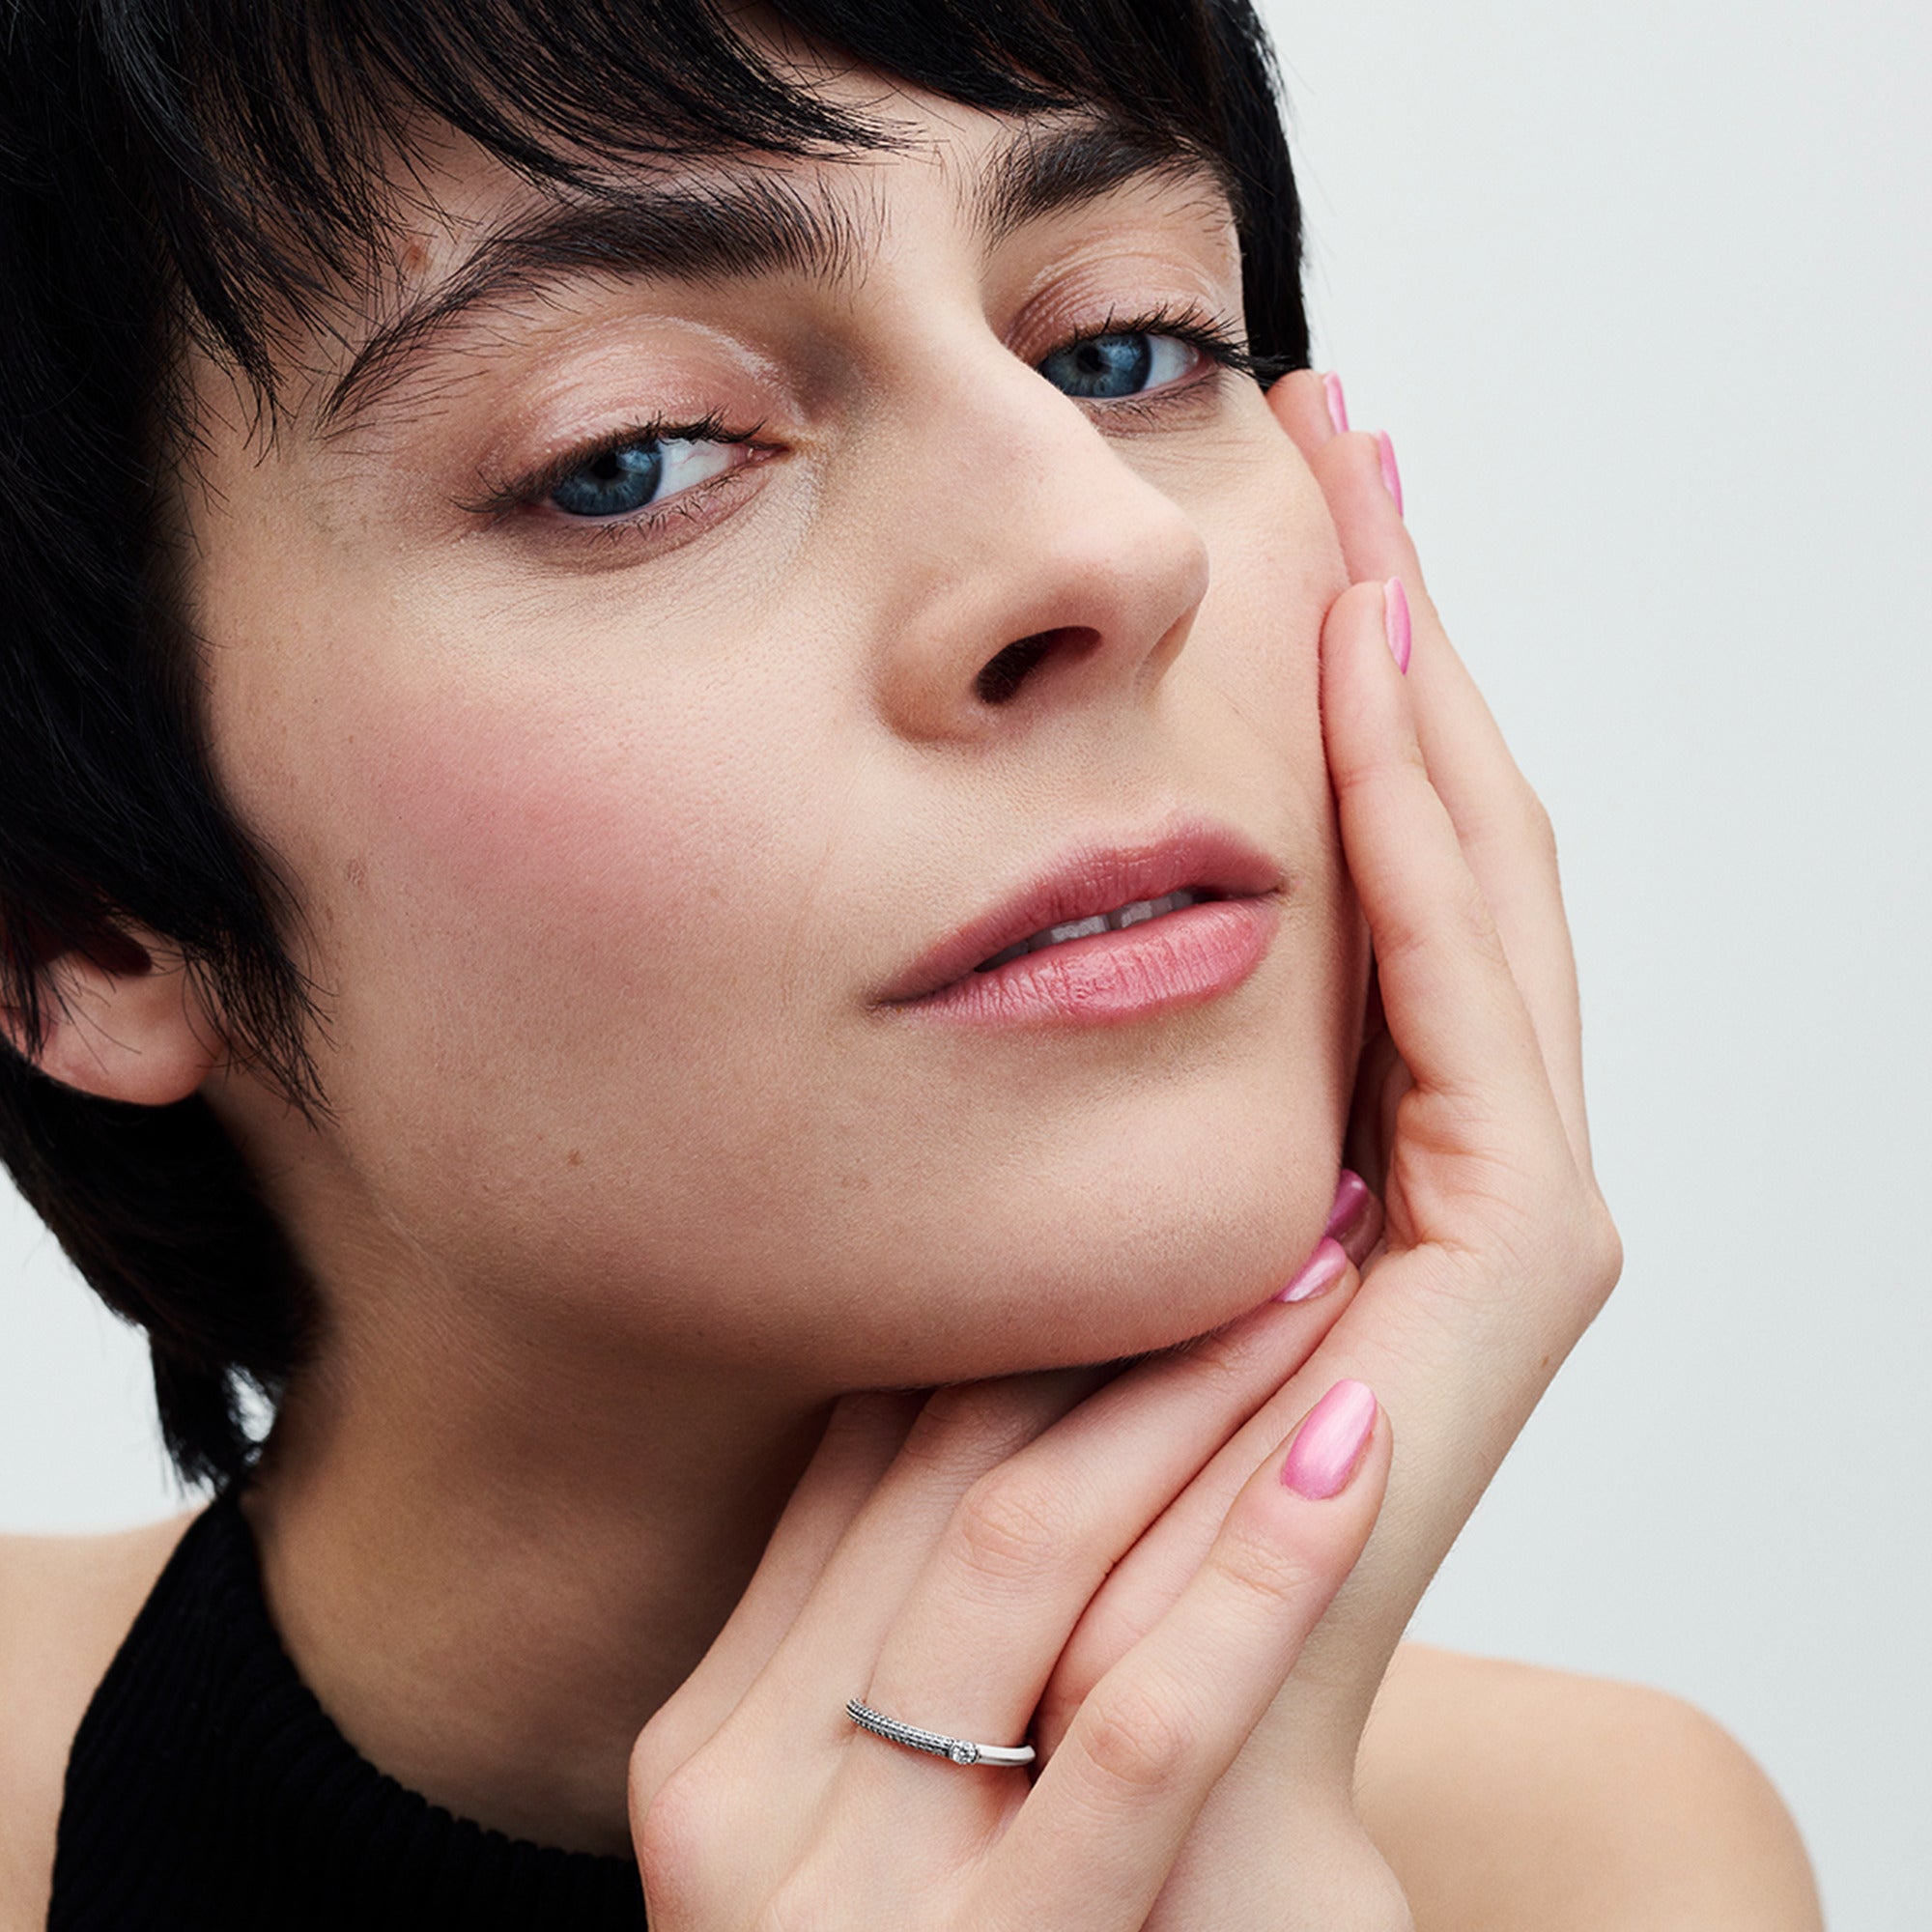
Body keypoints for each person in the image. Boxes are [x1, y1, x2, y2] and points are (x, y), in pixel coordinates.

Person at [0, 1, 1823, 1924]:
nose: (1100, 548)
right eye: (632, 458)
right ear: (75, 924)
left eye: (1124, 351)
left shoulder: (1602, 1863)